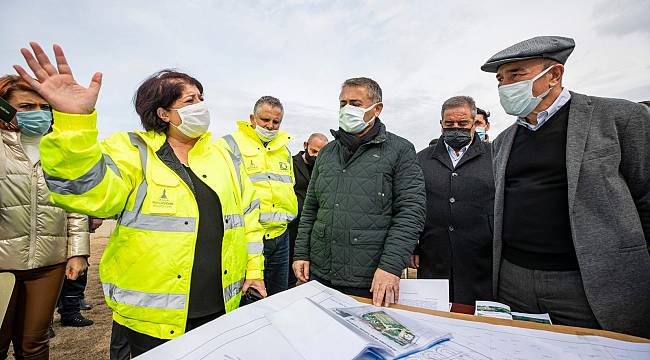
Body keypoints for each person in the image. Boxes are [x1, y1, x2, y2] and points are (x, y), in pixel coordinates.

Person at [14, 42, 266, 356]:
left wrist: (254, 271)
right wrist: (75, 122)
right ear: (164, 112)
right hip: (149, 318)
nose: (201, 105)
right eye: (190, 100)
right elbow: (86, 195)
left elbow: (249, 218)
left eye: (202, 98)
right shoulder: (132, 149)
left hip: (219, 306)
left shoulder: (225, 156)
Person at [482, 36, 650, 337]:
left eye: (516, 74)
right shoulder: (503, 141)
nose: (505, 86)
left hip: (589, 281)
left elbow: (646, 194)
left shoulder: (619, 118)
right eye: (500, 79)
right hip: (514, 278)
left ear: (554, 75)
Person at [293, 77, 426, 307]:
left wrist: (391, 266)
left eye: (355, 103)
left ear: (377, 108)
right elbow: (311, 207)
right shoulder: (327, 153)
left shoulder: (400, 150)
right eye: (342, 103)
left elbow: (410, 212)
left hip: (370, 279)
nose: (347, 109)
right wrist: (301, 253)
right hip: (321, 272)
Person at [0, 74, 90, 359]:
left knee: (35, 342)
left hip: (49, 263)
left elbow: (75, 205)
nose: (38, 114)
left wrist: (78, 253)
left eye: (44, 106)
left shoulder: (60, 149)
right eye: (27, 107)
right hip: (3, 264)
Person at [413, 96, 494, 305]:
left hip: (481, 258)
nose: (456, 128)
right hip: (434, 255)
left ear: (474, 122)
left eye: (463, 123)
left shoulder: (495, 155)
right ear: (441, 124)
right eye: (449, 124)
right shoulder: (422, 159)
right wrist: (414, 246)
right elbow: (412, 205)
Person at [218, 96, 298, 296]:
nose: (270, 126)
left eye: (276, 122)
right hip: (246, 236)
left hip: (280, 237)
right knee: (248, 297)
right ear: (252, 118)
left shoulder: (284, 151)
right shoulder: (229, 144)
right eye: (265, 120)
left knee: (279, 297)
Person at [287, 133, 329, 287]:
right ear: (305, 145)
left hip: (311, 229)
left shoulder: (323, 170)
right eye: (314, 151)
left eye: (321, 153)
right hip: (291, 227)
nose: (316, 156)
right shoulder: (290, 164)